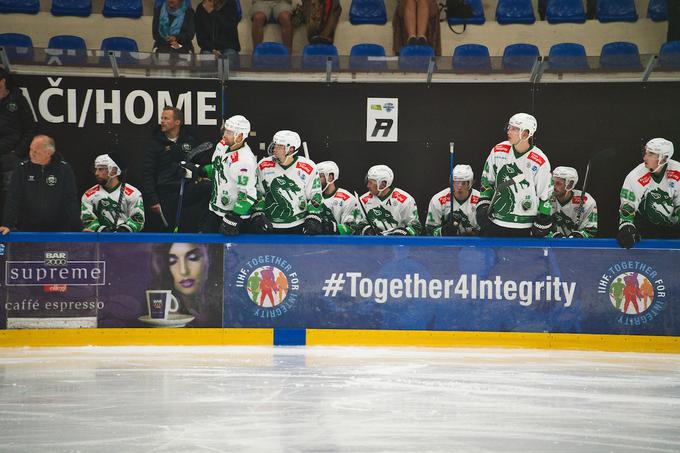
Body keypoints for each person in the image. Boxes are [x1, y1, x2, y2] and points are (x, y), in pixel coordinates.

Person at [476, 113, 553, 238]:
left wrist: (543, 218)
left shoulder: (539, 160)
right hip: (496, 222)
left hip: (524, 226)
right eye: (509, 127)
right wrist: (483, 205)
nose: (509, 131)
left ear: (526, 133)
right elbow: (487, 180)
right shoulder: (498, 150)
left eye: (515, 129)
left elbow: (545, 195)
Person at [185, 115, 258, 235]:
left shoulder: (245, 161)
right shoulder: (223, 145)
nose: (224, 135)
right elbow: (219, 168)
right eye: (225, 130)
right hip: (214, 210)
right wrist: (201, 170)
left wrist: (234, 217)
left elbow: (247, 194)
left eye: (229, 132)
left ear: (240, 136)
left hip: (232, 216)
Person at [143, 106, 207, 232]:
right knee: (167, 232)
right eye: (161, 118)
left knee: (206, 187)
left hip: (186, 191)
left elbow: (201, 166)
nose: (162, 121)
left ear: (177, 122)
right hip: (165, 194)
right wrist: (153, 199)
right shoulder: (155, 143)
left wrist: (193, 170)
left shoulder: (190, 141)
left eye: (166, 118)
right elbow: (147, 173)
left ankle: (204, 231)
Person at [1, 135, 80, 234]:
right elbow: (13, 198)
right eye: (31, 150)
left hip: (58, 229)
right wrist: (7, 224)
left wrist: (79, 228)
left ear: (48, 153)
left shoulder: (64, 169)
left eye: (36, 152)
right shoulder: (22, 168)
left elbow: (70, 200)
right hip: (28, 229)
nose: (31, 154)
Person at [253, 130, 323, 234]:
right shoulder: (263, 165)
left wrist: (313, 216)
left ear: (291, 149)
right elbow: (257, 191)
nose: (275, 149)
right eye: (275, 145)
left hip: (298, 224)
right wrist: (257, 214)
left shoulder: (308, 167)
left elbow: (315, 195)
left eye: (280, 147)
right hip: (269, 225)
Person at [617, 138, 680, 248]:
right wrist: (626, 225)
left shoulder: (677, 172)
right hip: (647, 226)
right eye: (645, 153)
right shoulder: (635, 175)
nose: (645, 157)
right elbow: (628, 205)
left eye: (651, 154)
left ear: (664, 158)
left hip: (674, 227)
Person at [150, 242, 222, 327]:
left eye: (193, 258)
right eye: (172, 261)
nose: (183, 271)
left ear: (209, 258)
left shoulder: (226, 307)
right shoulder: (162, 312)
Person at [0, 68, 36, 214]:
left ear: (3, 82)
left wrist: (17, 153)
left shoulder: (17, 99)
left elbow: (31, 129)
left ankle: (11, 226)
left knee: (12, 193)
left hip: (11, 156)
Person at [81, 153, 145, 233]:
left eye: (100, 169)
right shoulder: (89, 195)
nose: (96, 173)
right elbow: (87, 219)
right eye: (96, 169)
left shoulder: (133, 193)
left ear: (113, 171)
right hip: (99, 242)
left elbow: (138, 219)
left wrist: (124, 230)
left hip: (126, 242)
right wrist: (102, 230)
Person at [356, 164, 422, 236]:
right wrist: (366, 230)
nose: (368, 185)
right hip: (371, 245)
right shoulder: (363, 200)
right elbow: (356, 225)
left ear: (383, 184)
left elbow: (416, 227)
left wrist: (403, 233)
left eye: (371, 182)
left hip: (398, 246)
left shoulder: (405, 200)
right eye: (368, 181)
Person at [425, 164, 480, 236]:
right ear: (451, 182)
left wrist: (474, 234)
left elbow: (487, 231)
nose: (459, 187)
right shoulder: (438, 200)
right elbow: (429, 230)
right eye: (456, 182)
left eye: (463, 183)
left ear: (470, 183)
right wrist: (443, 231)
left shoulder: (480, 200)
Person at [549, 166, 597, 238]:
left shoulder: (586, 200)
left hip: (578, 246)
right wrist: (552, 236)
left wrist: (580, 236)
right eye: (553, 182)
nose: (554, 186)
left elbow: (592, 229)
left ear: (570, 185)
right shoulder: (545, 197)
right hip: (551, 245)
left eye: (558, 183)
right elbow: (538, 227)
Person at [316, 160, 360, 235]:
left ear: (330, 177)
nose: (315, 180)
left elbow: (352, 228)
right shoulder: (311, 196)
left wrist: (332, 227)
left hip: (338, 244)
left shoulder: (348, 199)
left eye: (319, 176)